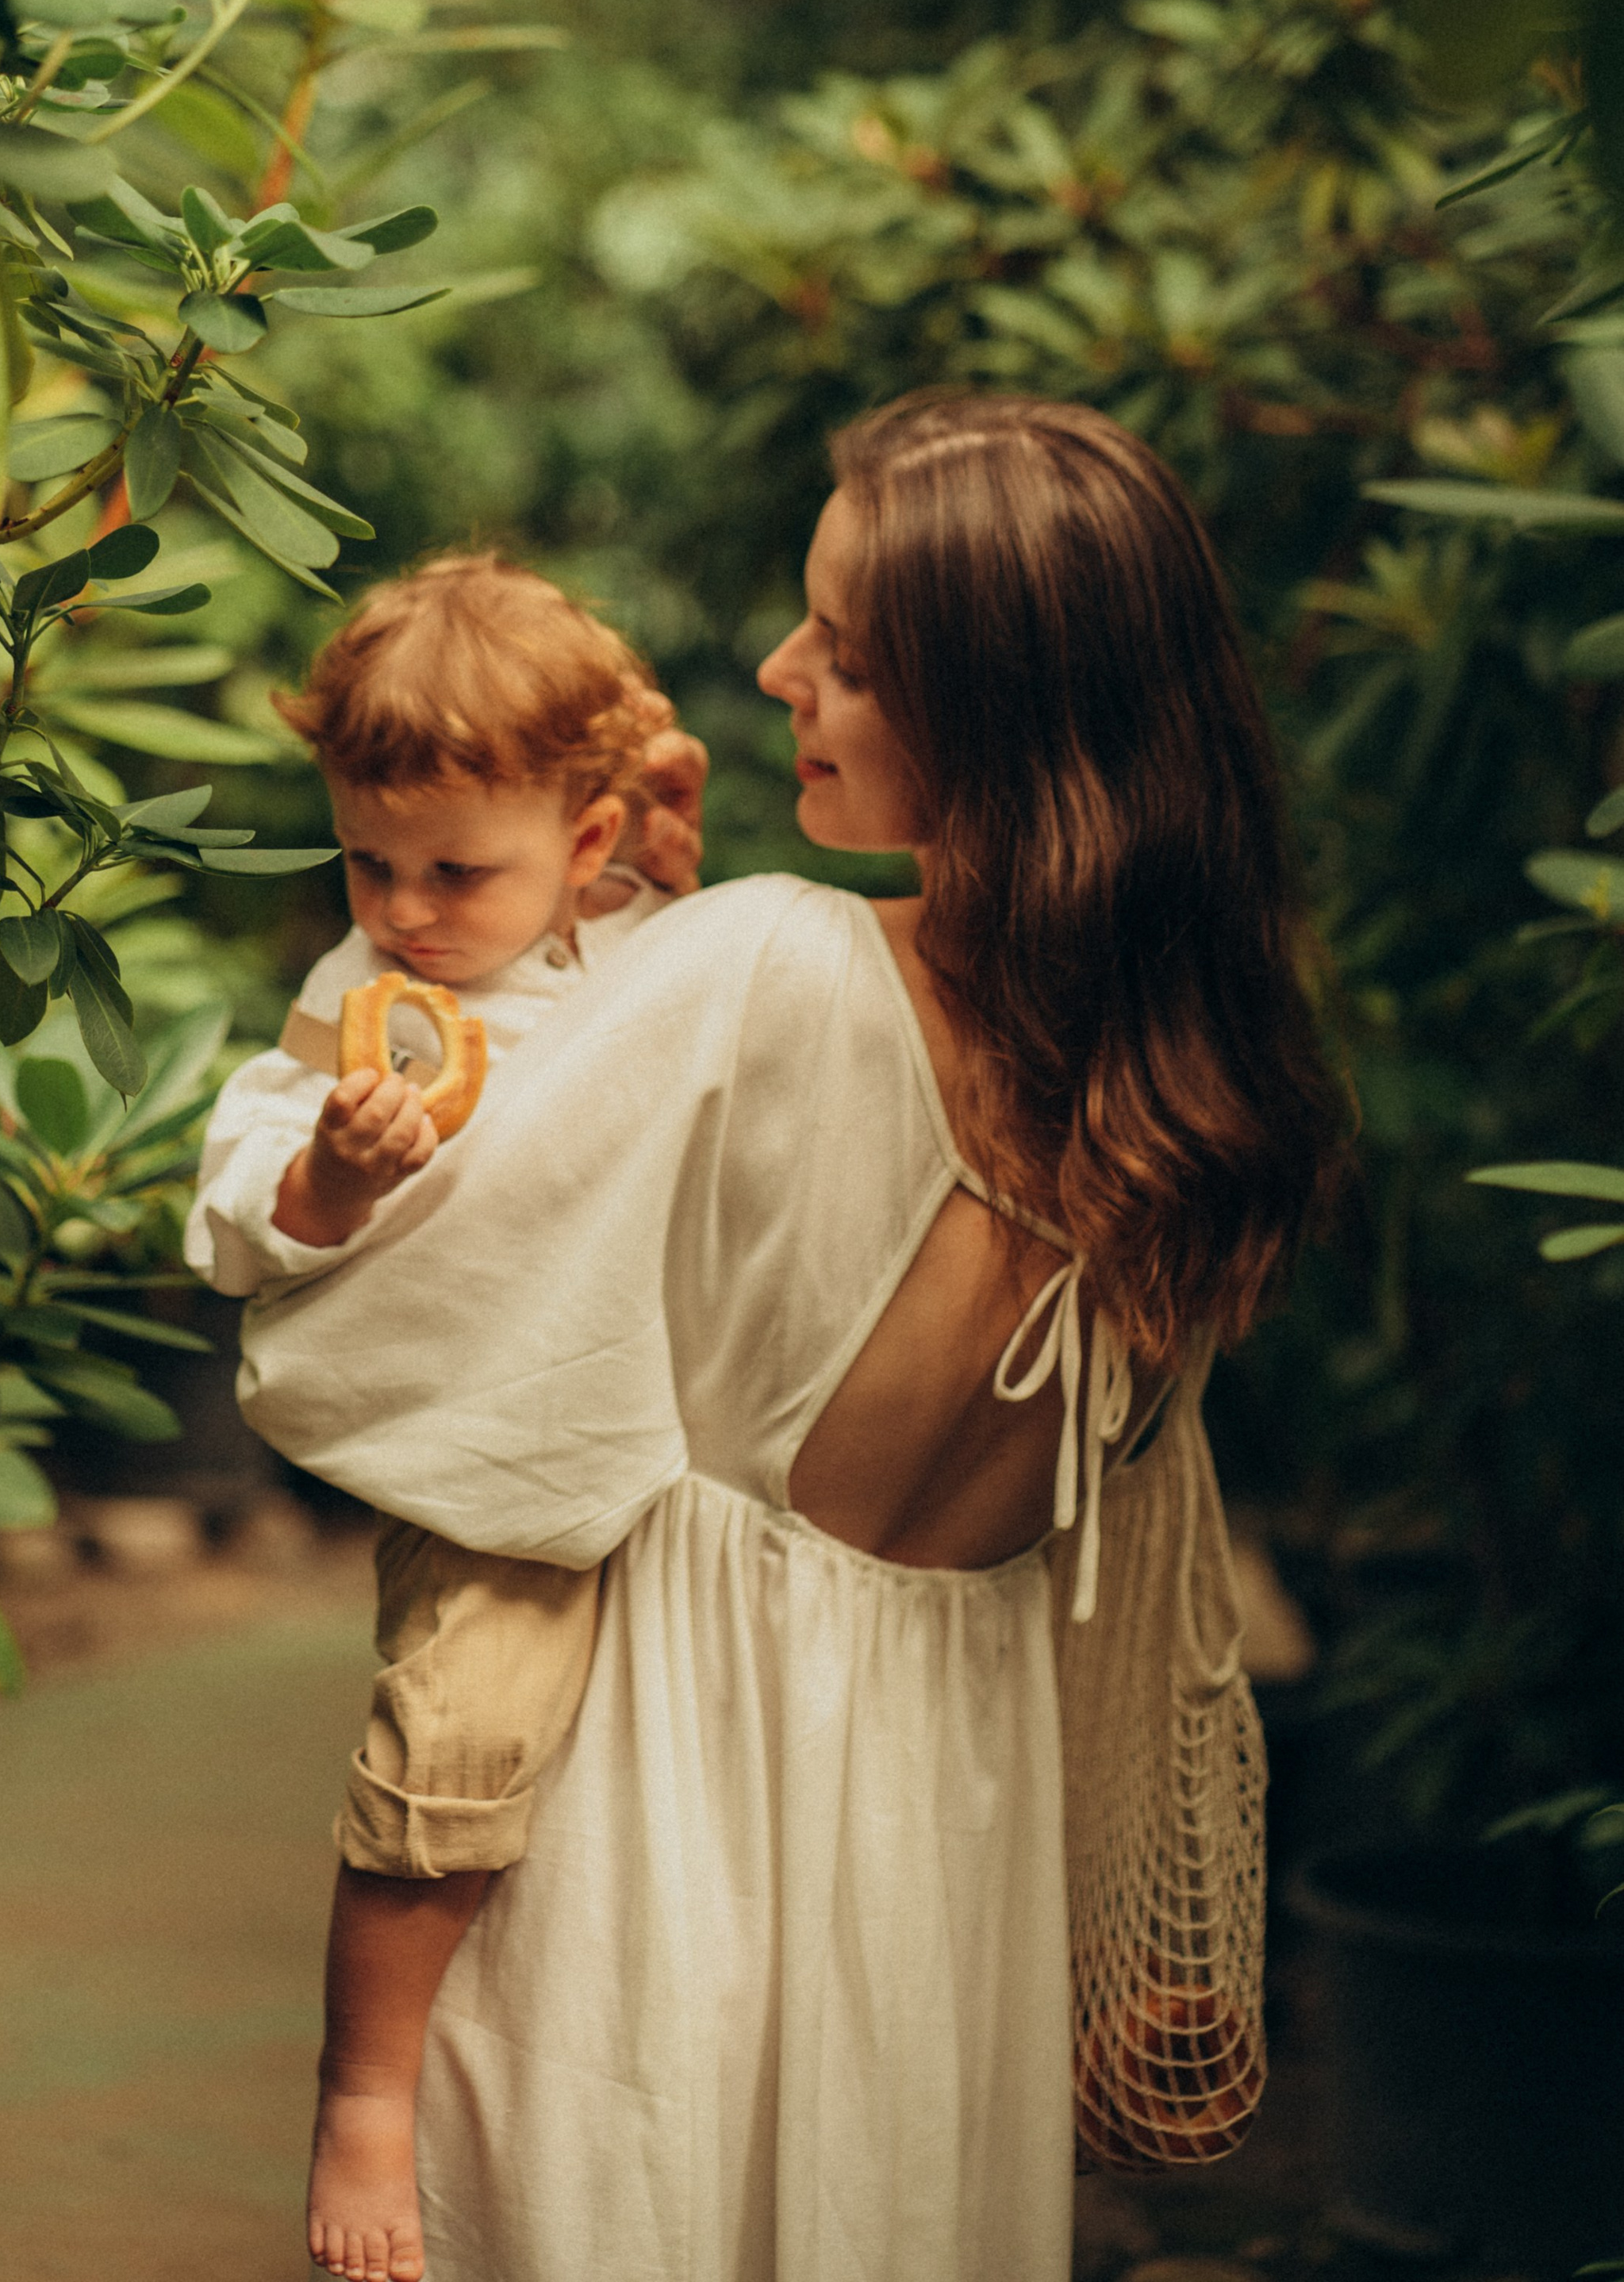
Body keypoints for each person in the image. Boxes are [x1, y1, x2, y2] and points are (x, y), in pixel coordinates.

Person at [236, 393, 1343, 2282]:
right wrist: (639, 924)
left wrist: (604, 951)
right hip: (941, 1844)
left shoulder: (771, 965)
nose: (774, 671)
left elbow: (382, 1304)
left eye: (837, 648)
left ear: (983, 708)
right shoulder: (1180, 1092)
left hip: (658, 1794)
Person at [185, 555, 706, 2276]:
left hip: (673, 1466)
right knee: (454, 1755)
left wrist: (658, 856)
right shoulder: (364, 1012)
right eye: (367, 859)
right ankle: (368, 2096)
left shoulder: (624, 938)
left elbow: (698, 994)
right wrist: (328, 1178)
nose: (404, 907)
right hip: (494, 1470)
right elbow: (239, 1188)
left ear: (579, 848)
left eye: (453, 870)